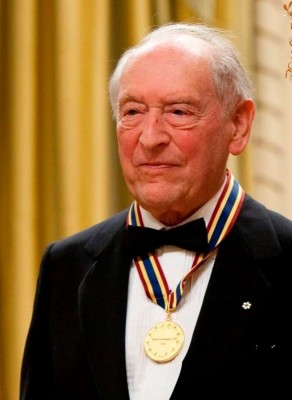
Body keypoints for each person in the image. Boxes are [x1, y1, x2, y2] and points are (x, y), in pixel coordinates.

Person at [20, 22, 292, 399]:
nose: (150, 138)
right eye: (132, 112)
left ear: (238, 125)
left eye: (179, 112)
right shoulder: (66, 266)